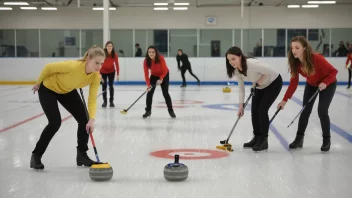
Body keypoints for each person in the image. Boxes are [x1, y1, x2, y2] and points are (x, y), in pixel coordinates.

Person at [30, 46, 105, 170]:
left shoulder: (95, 76)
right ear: (88, 59)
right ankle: (36, 155)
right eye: (96, 62)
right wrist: (38, 82)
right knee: (55, 122)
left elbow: (92, 99)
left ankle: (82, 155)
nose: (99, 66)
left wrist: (92, 119)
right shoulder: (73, 66)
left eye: (101, 63)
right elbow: (49, 67)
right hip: (48, 88)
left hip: (66, 90)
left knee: (84, 120)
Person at [277, 36, 338, 152]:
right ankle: (299, 139)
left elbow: (334, 71)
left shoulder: (316, 58)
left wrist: (325, 82)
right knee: (305, 110)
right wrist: (284, 100)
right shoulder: (294, 62)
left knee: (322, 111)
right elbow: (293, 83)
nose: (294, 50)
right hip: (311, 84)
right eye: (292, 48)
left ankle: (326, 140)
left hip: (328, 84)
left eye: (297, 47)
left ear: (304, 48)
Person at [226, 46, 283, 152]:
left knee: (262, 110)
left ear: (240, 56)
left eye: (233, 59)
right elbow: (241, 88)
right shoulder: (237, 70)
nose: (231, 62)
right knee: (254, 111)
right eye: (229, 60)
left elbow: (269, 71)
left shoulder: (251, 64)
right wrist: (241, 106)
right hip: (259, 86)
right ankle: (257, 137)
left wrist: (259, 82)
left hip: (274, 82)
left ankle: (263, 140)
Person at [143, 46, 176, 118]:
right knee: (149, 93)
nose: (151, 53)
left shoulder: (161, 58)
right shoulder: (146, 61)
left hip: (164, 75)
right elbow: (146, 74)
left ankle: (171, 111)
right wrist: (148, 85)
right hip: (154, 76)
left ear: (156, 52)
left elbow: (164, 71)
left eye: (153, 52)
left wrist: (161, 79)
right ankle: (148, 111)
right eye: (149, 52)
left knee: (165, 93)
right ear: (147, 53)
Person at [100, 41, 119, 108]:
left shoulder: (115, 54)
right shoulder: (102, 54)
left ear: (112, 47)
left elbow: (117, 64)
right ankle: (105, 101)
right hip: (103, 72)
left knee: (111, 86)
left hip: (111, 72)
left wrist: (118, 74)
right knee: (104, 86)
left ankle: (111, 101)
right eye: (108, 46)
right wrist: (99, 75)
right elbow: (99, 64)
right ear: (106, 47)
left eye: (111, 46)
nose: (109, 47)